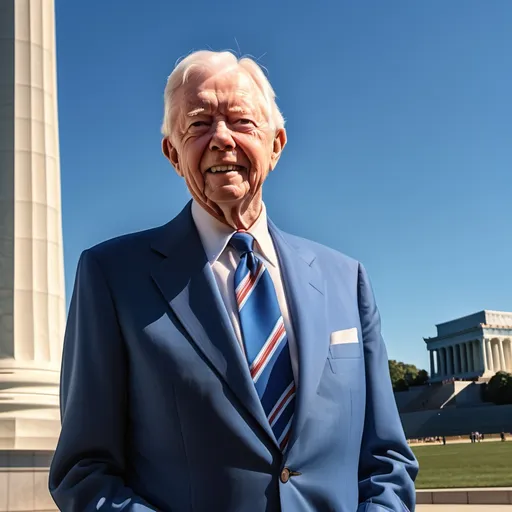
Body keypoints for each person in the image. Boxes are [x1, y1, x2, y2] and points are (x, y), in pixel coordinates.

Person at [49, 50, 418, 512]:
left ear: (277, 143)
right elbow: (84, 471)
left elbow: (387, 459)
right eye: (198, 124)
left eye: (241, 122)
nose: (221, 138)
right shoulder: (112, 276)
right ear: (172, 153)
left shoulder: (347, 279)